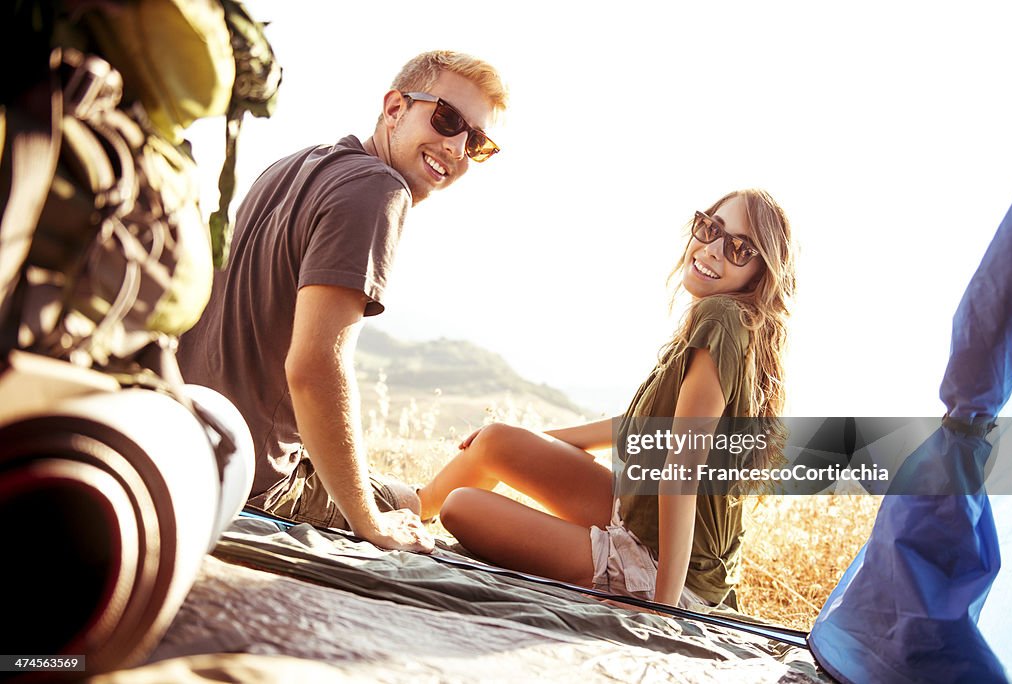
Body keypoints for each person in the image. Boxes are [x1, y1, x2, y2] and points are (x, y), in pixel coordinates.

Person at [177, 50, 509, 553]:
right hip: (251, 476)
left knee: (397, 493)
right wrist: (370, 523)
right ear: (395, 107)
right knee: (408, 507)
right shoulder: (380, 190)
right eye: (446, 118)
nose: (458, 146)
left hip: (189, 426)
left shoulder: (291, 165)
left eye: (478, 142)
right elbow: (314, 368)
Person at [418, 189, 796, 608]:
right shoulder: (722, 320)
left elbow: (681, 472)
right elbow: (636, 429)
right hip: (634, 512)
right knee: (494, 441)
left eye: (740, 248)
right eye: (710, 228)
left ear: (762, 271)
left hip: (660, 565)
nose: (712, 250)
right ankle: (405, 509)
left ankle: (650, 593)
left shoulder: (722, 320)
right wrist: (529, 441)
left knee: (462, 507)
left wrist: (662, 607)